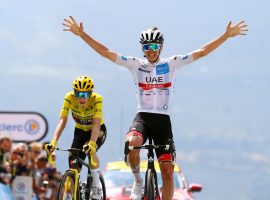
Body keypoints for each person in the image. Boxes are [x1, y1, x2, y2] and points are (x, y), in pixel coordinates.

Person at [62, 16, 248, 200]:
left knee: (167, 172)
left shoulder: (172, 63)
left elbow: (202, 52)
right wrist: (82, 34)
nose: (150, 51)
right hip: (143, 117)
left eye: (154, 47)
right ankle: (138, 181)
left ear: (161, 47)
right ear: (142, 49)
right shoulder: (136, 65)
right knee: (132, 143)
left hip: (162, 120)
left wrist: (226, 35)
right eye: (146, 47)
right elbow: (106, 52)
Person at [45, 75, 107, 199]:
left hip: (97, 130)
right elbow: (62, 121)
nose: (81, 98)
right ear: (74, 93)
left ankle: (96, 185)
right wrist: (53, 142)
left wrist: (92, 143)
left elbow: (96, 123)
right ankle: (74, 191)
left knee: (90, 151)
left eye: (84, 95)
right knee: (72, 160)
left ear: (90, 94)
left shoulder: (97, 99)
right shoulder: (69, 98)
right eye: (78, 94)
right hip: (79, 131)